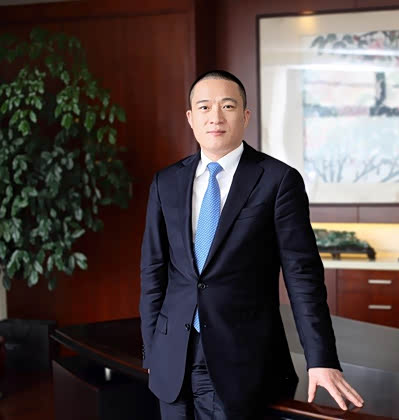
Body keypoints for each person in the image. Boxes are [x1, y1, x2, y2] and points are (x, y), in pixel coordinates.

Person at [139, 70, 364, 419]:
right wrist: (152, 349)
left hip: (243, 360)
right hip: (174, 357)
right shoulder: (166, 182)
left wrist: (321, 359)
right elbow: (153, 271)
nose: (215, 117)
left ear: (245, 116)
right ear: (191, 118)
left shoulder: (278, 180)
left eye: (227, 106)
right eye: (204, 107)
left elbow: (302, 276)